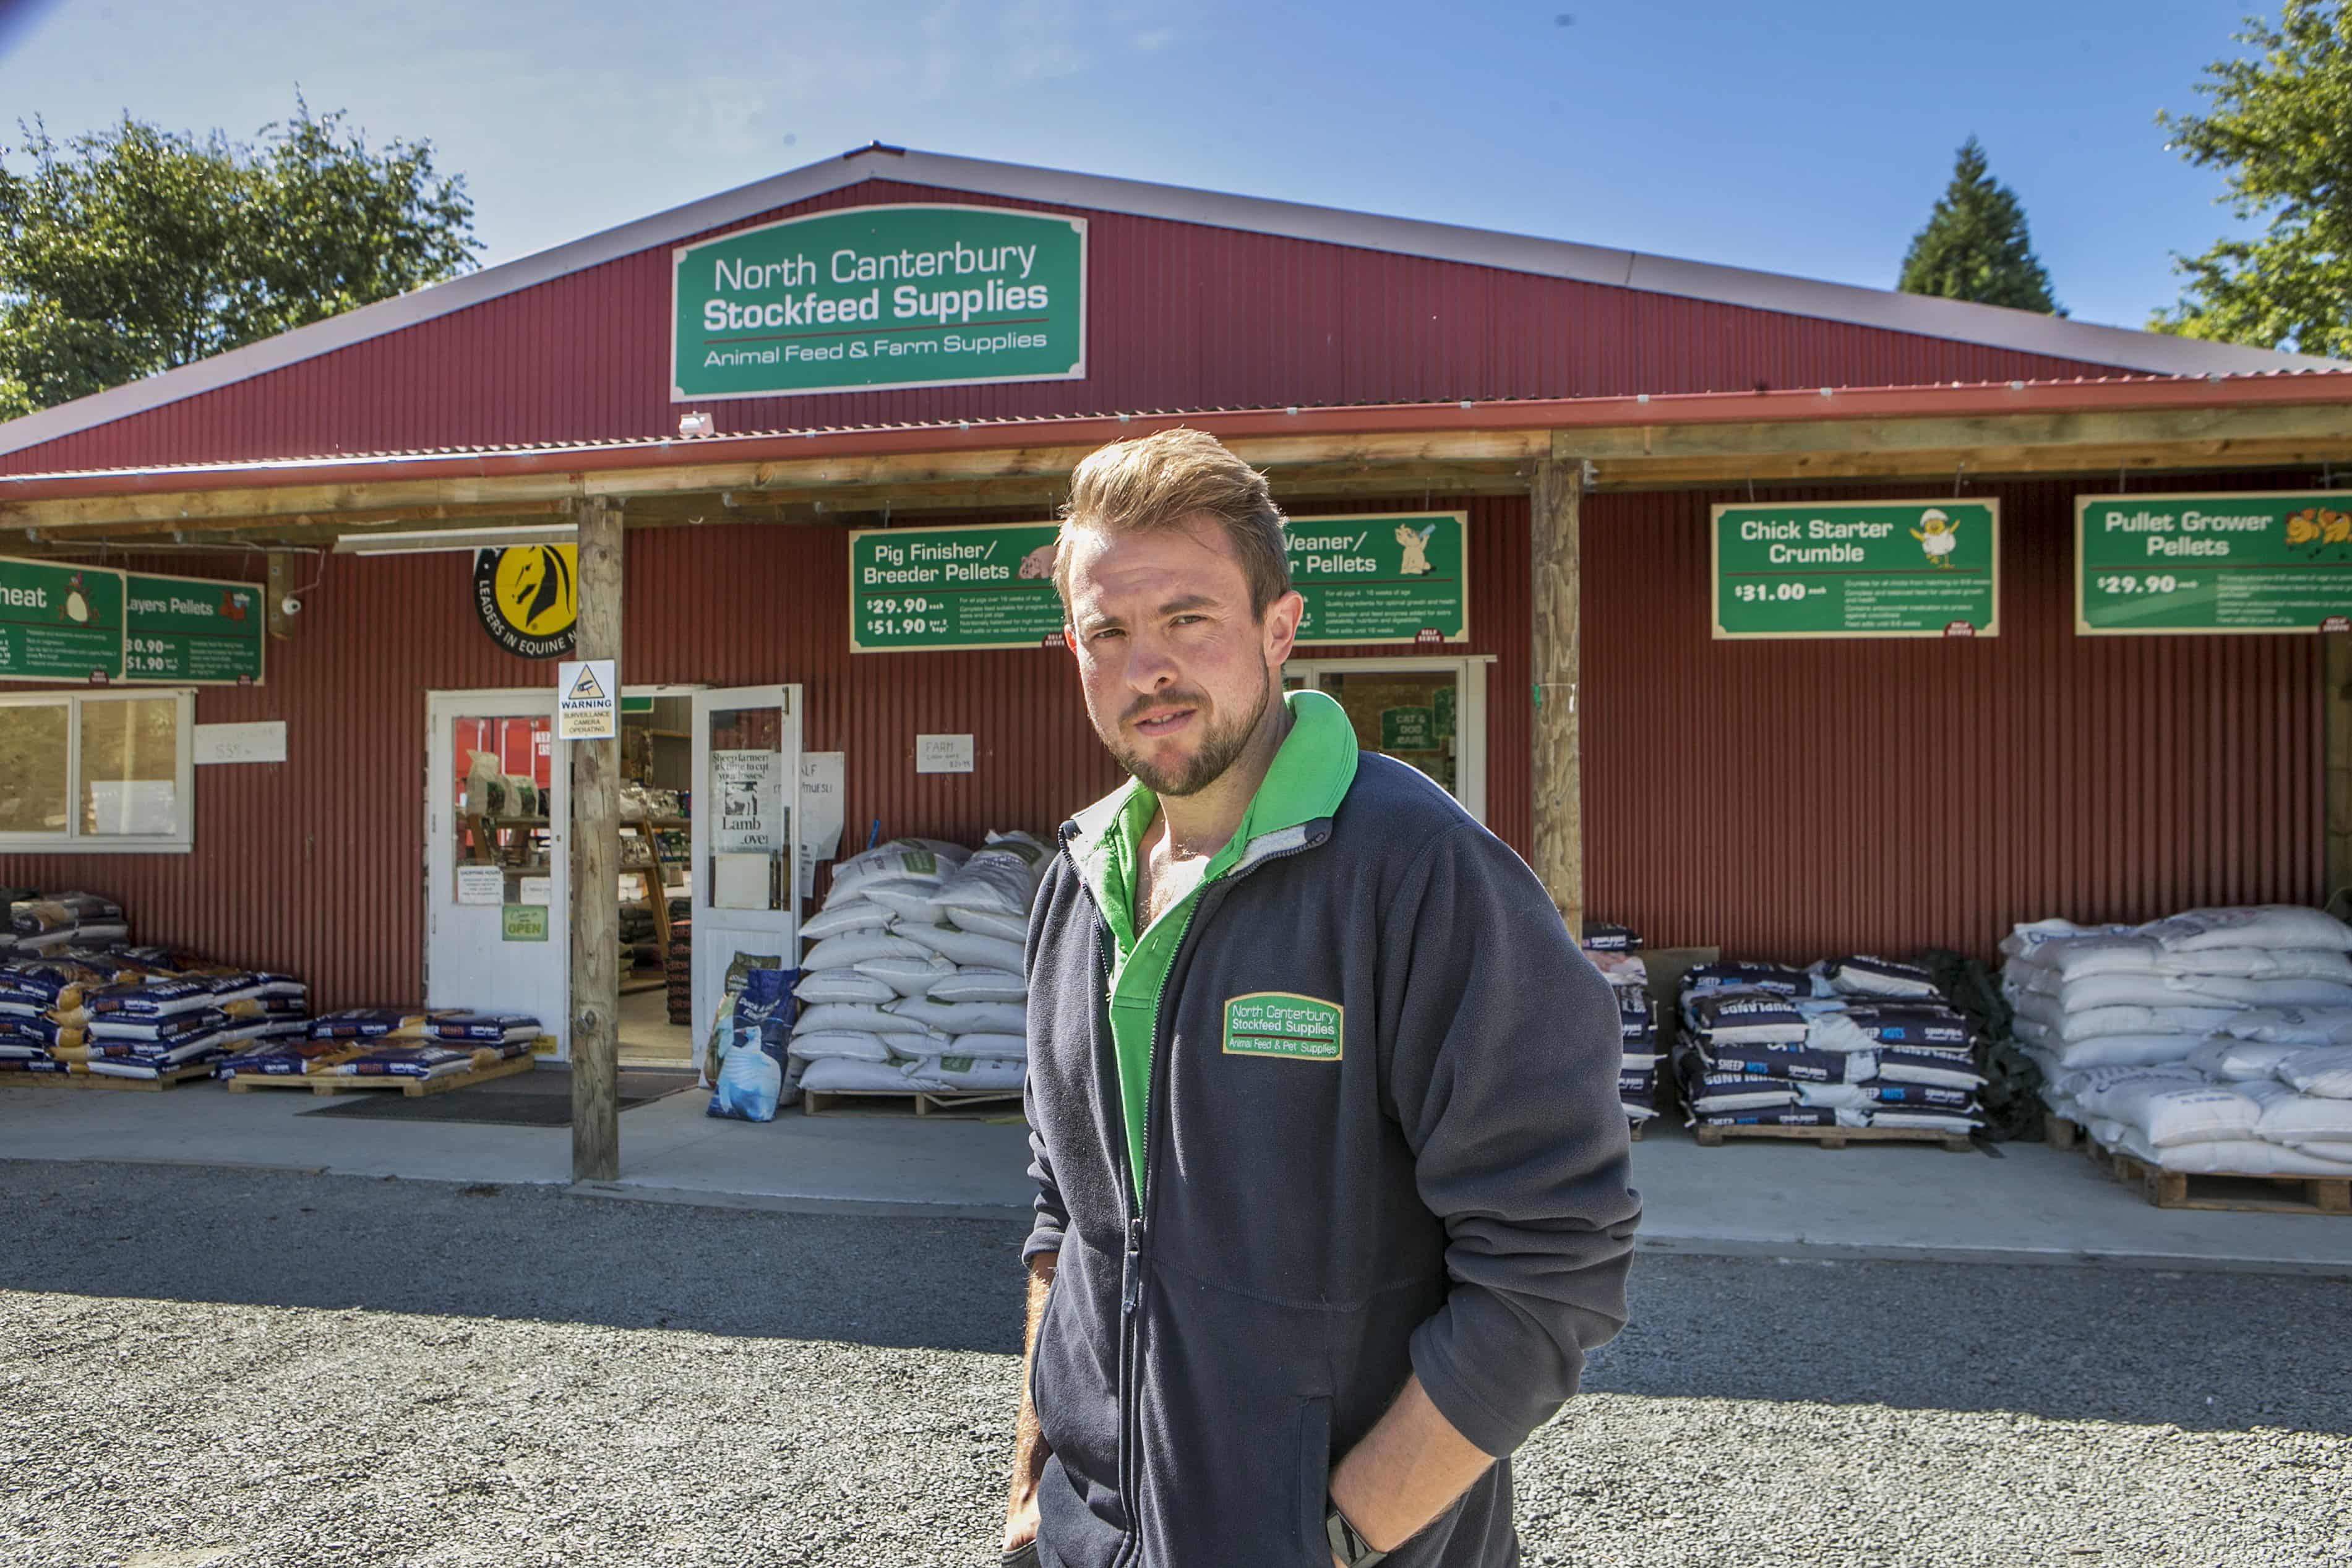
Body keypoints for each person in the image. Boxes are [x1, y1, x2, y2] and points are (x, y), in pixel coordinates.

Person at [1005, 428, 1639, 1568]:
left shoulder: (1421, 874)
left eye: (1188, 618)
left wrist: (1343, 1537)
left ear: (1279, 627)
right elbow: (1066, 1220)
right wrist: (1034, 1480)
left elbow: (1553, 1264)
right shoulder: (1077, 883)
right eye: (1109, 631)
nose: (1148, 665)